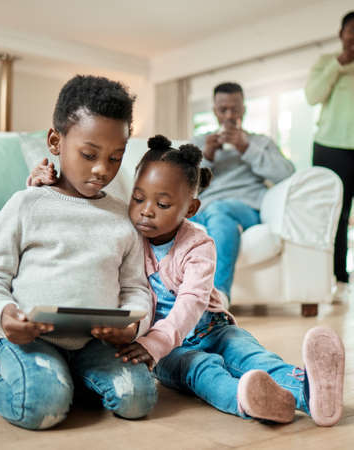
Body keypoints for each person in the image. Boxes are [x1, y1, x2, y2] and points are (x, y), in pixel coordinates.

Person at [114, 135, 344, 427]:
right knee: (202, 369)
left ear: (190, 208)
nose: (146, 210)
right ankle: (252, 400)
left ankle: (313, 392)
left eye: (162, 203)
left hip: (212, 329)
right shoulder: (129, 238)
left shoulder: (199, 244)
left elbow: (191, 301)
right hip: (167, 351)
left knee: (251, 354)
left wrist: (158, 340)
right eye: (138, 198)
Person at [0, 74, 157, 430]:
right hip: (31, 339)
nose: (102, 169)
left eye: (115, 157)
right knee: (42, 408)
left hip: (93, 344)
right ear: (56, 141)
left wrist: (132, 327)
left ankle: (69, 381)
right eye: (89, 155)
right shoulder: (26, 204)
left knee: (139, 400)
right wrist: (4, 315)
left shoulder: (122, 217)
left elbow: (135, 288)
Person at [191, 82, 295, 303]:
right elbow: (182, 184)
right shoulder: (200, 143)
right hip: (204, 208)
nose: (229, 116)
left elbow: (286, 174)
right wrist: (206, 156)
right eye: (223, 110)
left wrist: (247, 149)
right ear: (214, 112)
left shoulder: (260, 142)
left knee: (220, 211)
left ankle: (218, 296)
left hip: (245, 207)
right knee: (210, 212)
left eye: (234, 109)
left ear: (244, 110)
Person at [305, 11, 354, 302]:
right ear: (341, 34)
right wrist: (338, 64)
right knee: (333, 214)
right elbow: (313, 96)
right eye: (352, 31)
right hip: (330, 147)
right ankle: (335, 275)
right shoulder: (326, 62)